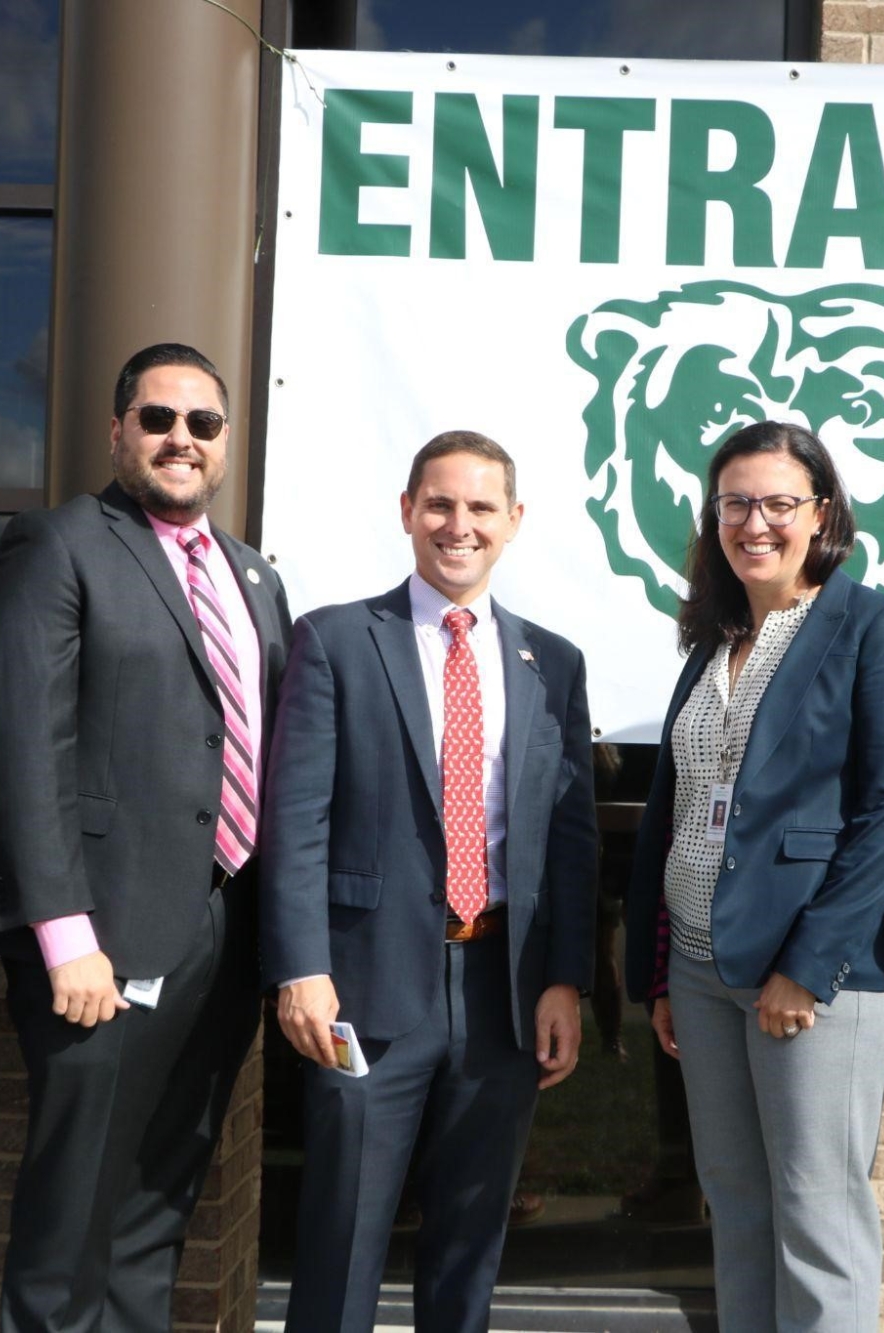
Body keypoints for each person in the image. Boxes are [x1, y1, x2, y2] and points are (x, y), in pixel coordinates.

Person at [0, 343, 291, 1332]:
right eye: (158, 418)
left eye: (202, 423)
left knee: (160, 1200)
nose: (180, 438)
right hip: (101, 942)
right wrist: (64, 933)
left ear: (225, 442)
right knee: (72, 1212)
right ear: (118, 431)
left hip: (224, 931)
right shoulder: (59, 544)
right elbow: (24, 746)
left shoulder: (252, 574)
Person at [261, 430, 598, 1333]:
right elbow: (295, 821)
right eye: (440, 504)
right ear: (407, 511)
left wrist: (565, 979)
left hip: (503, 992)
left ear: (514, 520)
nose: (460, 524)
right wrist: (300, 967)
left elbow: (568, 839)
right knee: (341, 1241)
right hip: (364, 989)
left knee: (469, 1249)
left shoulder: (553, 662)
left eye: (482, 507)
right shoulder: (336, 641)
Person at [624, 421, 884, 1333]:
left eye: (777, 502)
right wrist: (662, 970)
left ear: (822, 513)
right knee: (738, 1208)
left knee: (817, 1216)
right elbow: (681, 810)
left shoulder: (876, 626)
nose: (753, 522)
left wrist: (809, 963)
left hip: (811, 973)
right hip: (699, 966)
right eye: (734, 503)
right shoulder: (714, 640)